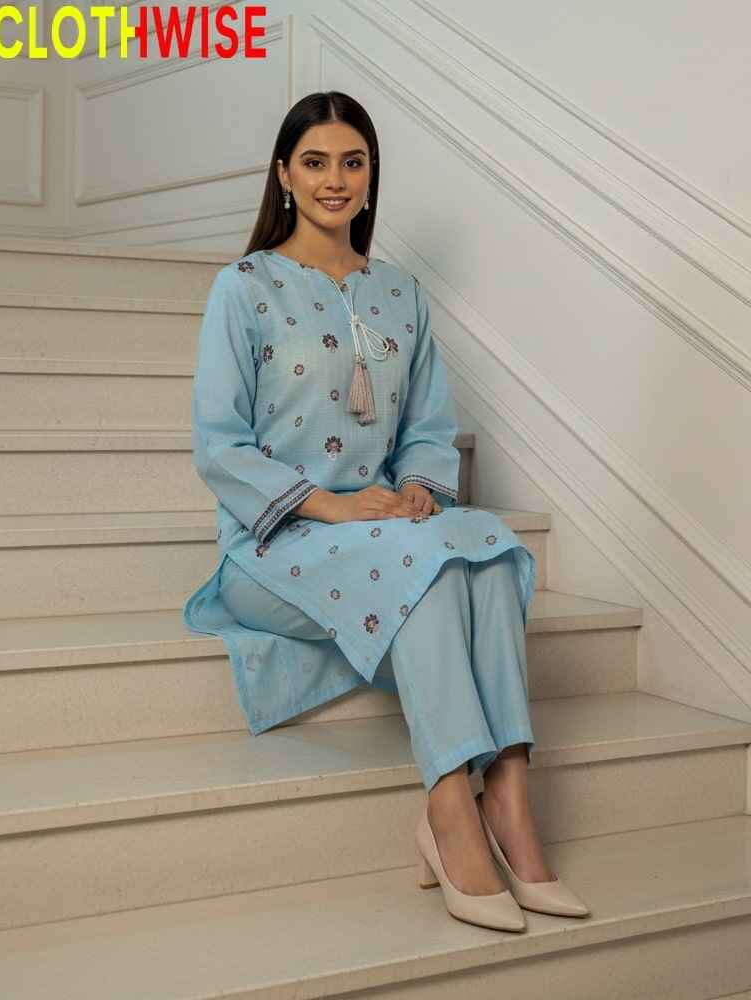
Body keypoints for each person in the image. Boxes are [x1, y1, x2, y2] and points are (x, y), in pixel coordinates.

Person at [183, 90, 589, 930]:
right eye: (317, 162)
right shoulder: (244, 288)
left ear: (371, 177)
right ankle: (449, 808)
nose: (337, 179)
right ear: (284, 176)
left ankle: (509, 789)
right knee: (430, 565)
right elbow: (219, 445)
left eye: (354, 161)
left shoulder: (400, 293)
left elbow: (430, 430)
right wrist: (331, 508)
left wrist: (417, 494)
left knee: (481, 538)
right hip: (277, 548)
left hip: (382, 530)